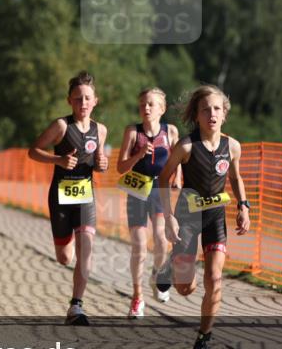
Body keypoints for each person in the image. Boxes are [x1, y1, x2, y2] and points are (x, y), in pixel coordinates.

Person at [154, 85, 250, 349]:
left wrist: (244, 206)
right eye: (206, 109)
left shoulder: (232, 146)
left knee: (215, 279)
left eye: (217, 108)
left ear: (224, 114)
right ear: (196, 115)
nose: (212, 114)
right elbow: (163, 179)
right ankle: (170, 265)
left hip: (215, 217)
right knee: (187, 288)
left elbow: (235, 177)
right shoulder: (185, 146)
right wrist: (169, 215)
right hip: (187, 217)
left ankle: (203, 341)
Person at [28, 71, 109, 325]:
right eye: (77, 99)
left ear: (95, 100)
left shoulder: (101, 130)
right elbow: (33, 151)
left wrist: (102, 164)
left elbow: (98, 164)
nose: (82, 104)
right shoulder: (61, 126)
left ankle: (76, 306)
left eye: (87, 99)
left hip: (86, 196)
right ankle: (67, 248)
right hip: (61, 197)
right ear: (69, 101)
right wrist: (58, 160)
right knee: (65, 258)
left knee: (86, 248)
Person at [116, 87, 181, 318]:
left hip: (160, 189)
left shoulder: (170, 131)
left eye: (151, 104)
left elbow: (178, 157)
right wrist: (139, 154)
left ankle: (157, 275)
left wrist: (179, 176)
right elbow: (120, 167)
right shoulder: (133, 132)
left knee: (163, 240)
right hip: (137, 189)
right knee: (139, 246)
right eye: (143, 104)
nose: (146, 108)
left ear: (162, 109)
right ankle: (137, 298)